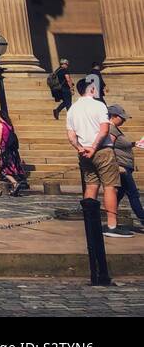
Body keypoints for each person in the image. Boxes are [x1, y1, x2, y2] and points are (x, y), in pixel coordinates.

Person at [67, 79, 131, 237]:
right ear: (92, 89)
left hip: (84, 153)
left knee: (91, 186)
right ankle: (111, 226)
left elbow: (71, 135)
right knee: (110, 187)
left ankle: (90, 224)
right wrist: (94, 147)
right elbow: (104, 130)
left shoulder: (72, 109)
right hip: (102, 150)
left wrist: (80, 148)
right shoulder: (99, 105)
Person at [107, 105, 144, 231]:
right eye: (122, 118)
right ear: (113, 116)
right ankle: (143, 219)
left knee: (119, 195)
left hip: (125, 166)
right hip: (122, 168)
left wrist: (134, 144)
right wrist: (116, 165)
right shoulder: (111, 129)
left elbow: (121, 145)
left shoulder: (115, 129)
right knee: (133, 194)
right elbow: (108, 148)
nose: (124, 120)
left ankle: (111, 221)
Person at [0, 110, 28, 197]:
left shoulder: (0, 125)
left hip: (5, 150)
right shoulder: (9, 125)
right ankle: (15, 186)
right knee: (12, 168)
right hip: (12, 150)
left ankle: (15, 183)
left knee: (4, 170)